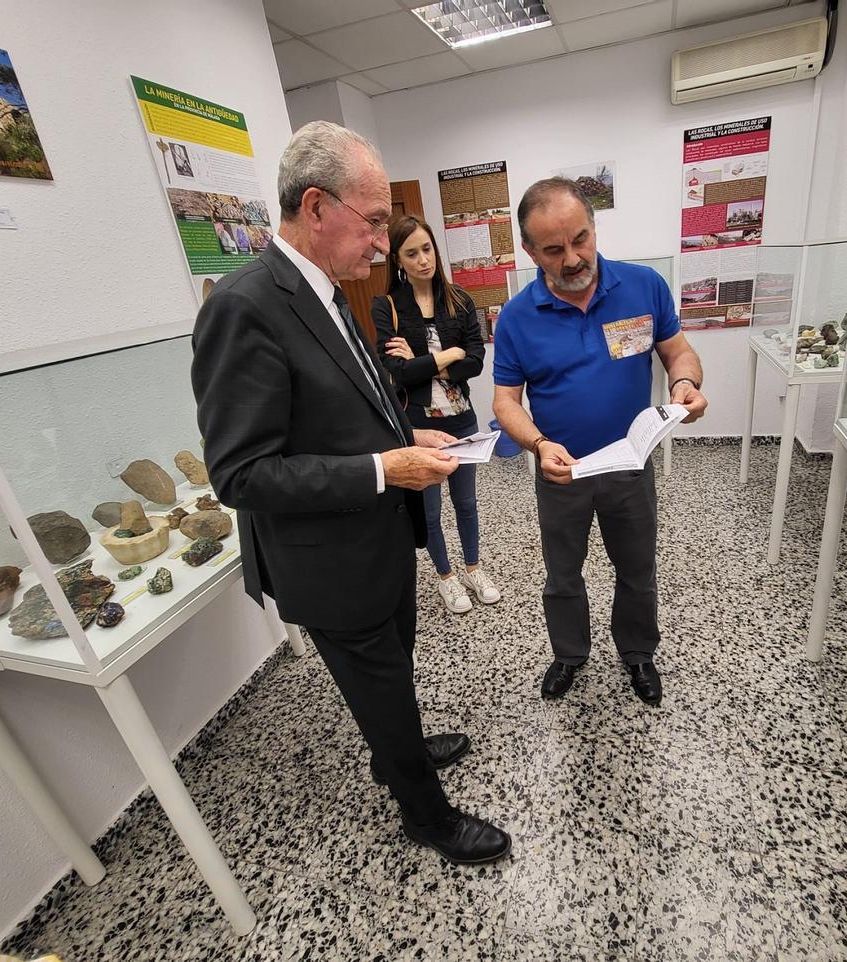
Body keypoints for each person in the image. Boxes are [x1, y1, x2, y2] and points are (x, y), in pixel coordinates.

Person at [191, 121, 511, 865]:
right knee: (378, 674)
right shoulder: (244, 306)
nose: (381, 241)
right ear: (314, 206)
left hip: (377, 537)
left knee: (391, 669)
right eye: (372, 222)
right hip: (327, 559)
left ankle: (396, 747)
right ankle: (426, 815)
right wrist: (381, 470)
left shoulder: (330, 294)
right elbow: (240, 473)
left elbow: (349, 406)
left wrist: (408, 436)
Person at [491, 177, 707, 706]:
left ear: (593, 226)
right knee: (562, 573)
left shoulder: (643, 286)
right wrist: (540, 445)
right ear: (529, 251)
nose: (572, 258)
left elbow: (679, 353)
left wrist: (685, 383)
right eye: (553, 249)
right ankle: (569, 653)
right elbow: (504, 403)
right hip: (561, 470)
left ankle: (637, 653)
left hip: (631, 465)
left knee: (637, 566)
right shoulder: (518, 318)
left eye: (581, 239)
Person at [372, 215, 502, 614]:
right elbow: (398, 372)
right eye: (411, 253)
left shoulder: (459, 300)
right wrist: (449, 355)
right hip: (419, 426)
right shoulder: (388, 307)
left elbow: (476, 362)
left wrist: (426, 362)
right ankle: (446, 577)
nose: (422, 260)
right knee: (429, 509)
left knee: (467, 503)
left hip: (462, 417)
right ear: (398, 259)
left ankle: (473, 568)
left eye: (426, 249)